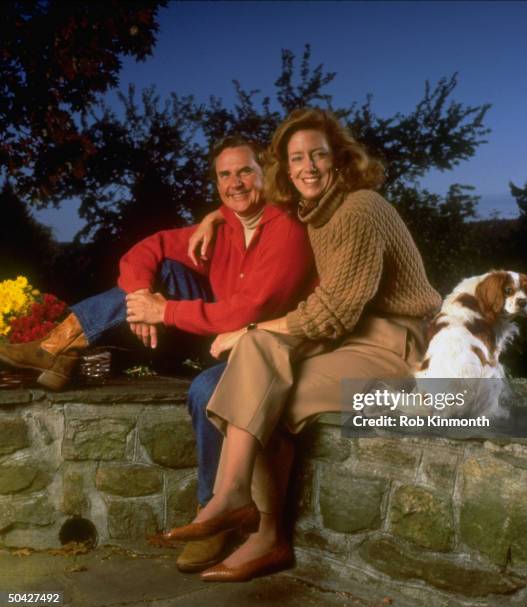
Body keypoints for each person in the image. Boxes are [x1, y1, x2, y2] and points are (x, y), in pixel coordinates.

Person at [0, 136, 315, 572]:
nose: (235, 183)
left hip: (267, 355)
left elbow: (250, 310)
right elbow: (146, 250)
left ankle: (215, 517)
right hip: (218, 339)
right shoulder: (221, 226)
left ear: (266, 174)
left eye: (245, 171)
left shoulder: (287, 229)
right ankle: (60, 345)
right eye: (225, 175)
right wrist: (143, 295)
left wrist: (163, 310)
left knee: (205, 390)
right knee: (162, 269)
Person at [164, 108, 442, 582]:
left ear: (339, 160)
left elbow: (333, 312)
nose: (307, 167)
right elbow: (251, 209)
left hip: (398, 346)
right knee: (258, 357)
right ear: (285, 169)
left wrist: (244, 331)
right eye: (296, 159)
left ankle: (267, 535)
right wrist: (216, 216)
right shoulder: (316, 212)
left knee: (268, 379)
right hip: (352, 340)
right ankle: (232, 498)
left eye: (318, 155)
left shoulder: (359, 209)